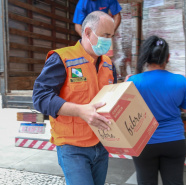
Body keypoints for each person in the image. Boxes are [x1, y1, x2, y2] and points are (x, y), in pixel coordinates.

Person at [33, 11, 117, 185]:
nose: (109, 41)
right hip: (72, 147)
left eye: (111, 36)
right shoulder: (62, 58)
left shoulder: (108, 64)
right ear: (87, 32)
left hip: (101, 144)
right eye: (105, 35)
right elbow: (40, 98)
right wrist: (80, 110)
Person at [126, 36, 186, 185]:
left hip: (143, 143)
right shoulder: (180, 80)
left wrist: (126, 84)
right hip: (174, 142)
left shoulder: (133, 82)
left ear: (146, 57)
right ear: (168, 57)